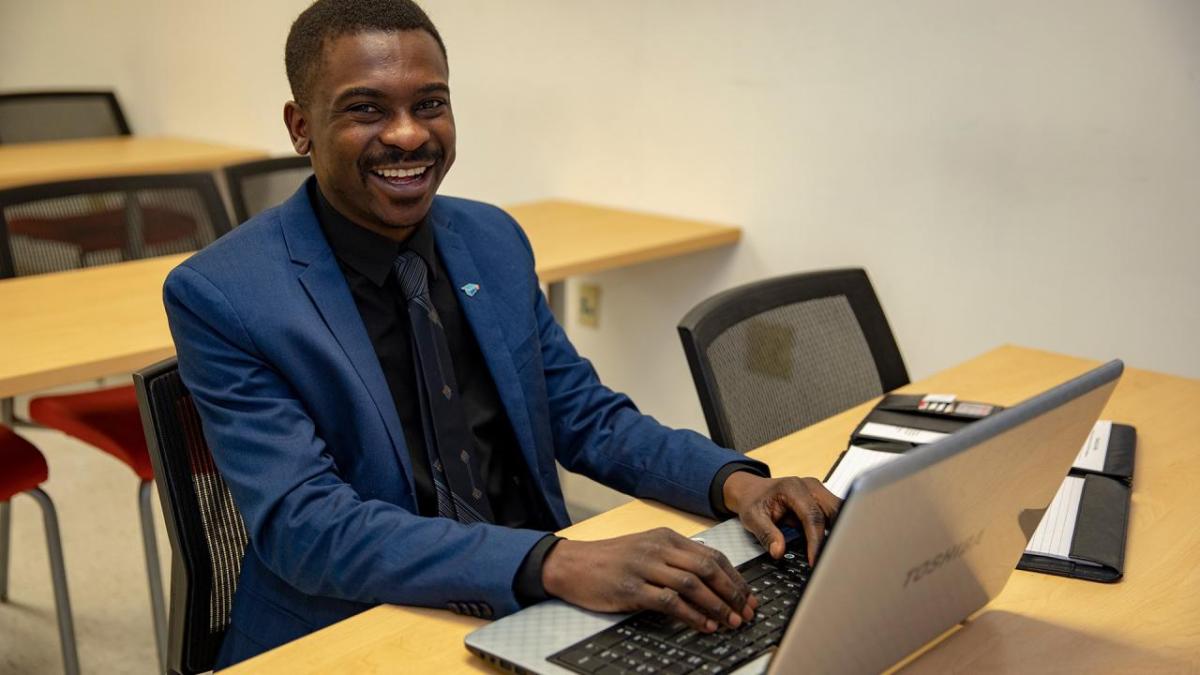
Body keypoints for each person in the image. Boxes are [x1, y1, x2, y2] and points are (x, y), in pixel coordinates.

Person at [163, 0, 841, 666]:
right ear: (300, 125)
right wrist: (551, 560)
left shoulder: (491, 238)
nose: (407, 134)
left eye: (429, 103)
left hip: (534, 603)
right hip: (357, 623)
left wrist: (734, 483)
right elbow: (307, 527)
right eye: (367, 108)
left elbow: (584, 416)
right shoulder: (225, 294)